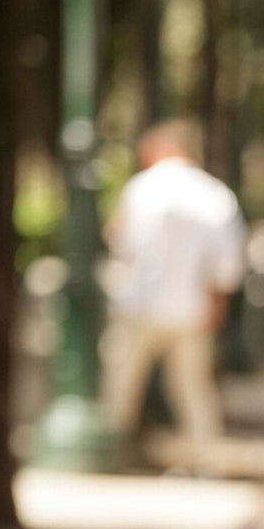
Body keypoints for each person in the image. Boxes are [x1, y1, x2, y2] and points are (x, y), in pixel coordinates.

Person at [103, 120, 246, 473]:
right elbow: (228, 263)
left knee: (122, 383)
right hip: (191, 307)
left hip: (141, 305)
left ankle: (110, 452)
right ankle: (206, 460)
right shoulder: (215, 194)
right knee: (193, 388)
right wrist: (216, 304)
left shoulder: (140, 189)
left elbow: (123, 244)